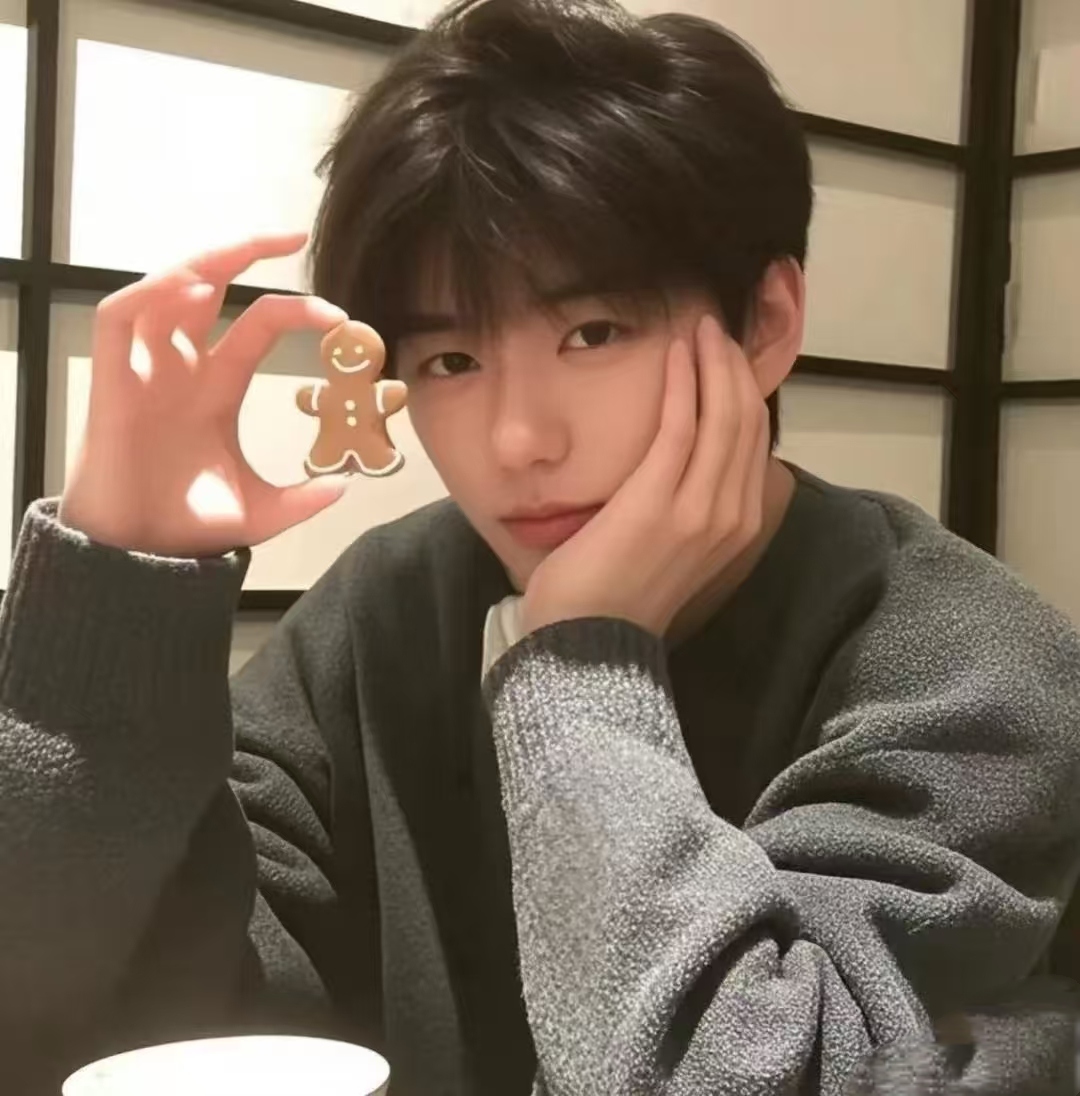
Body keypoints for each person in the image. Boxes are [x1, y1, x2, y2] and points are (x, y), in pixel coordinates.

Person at [1, 0, 1079, 1093]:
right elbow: (93, 1012)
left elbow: (754, 1074)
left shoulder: (969, 663)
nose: (518, 440)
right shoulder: (390, 607)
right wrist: (114, 602)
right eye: (451, 361)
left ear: (765, 323)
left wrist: (581, 668)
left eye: (592, 332)